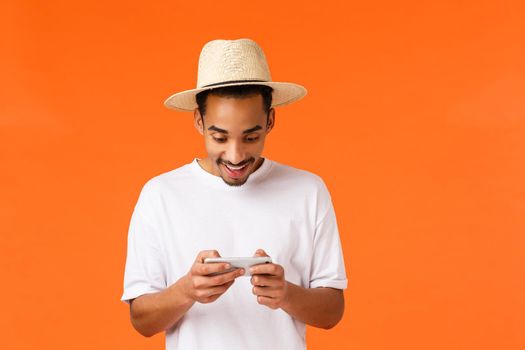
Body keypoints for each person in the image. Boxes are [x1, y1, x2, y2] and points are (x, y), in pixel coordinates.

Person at [121, 38, 348, 350]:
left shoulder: (308, 191)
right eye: (219, 137)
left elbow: (332, 312)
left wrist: (286, 293)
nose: (236, 154)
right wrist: (188, 290)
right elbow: (141, 321)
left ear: (270, 121)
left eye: (251, 136)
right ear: (199, 122)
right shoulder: (161, 195)